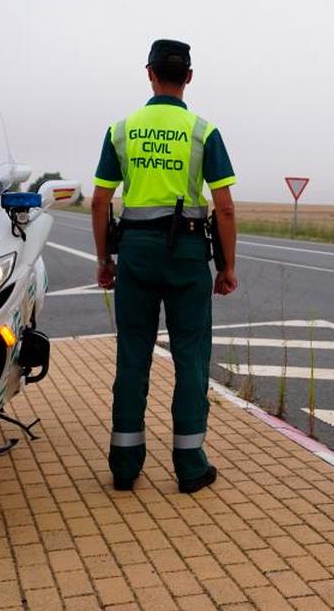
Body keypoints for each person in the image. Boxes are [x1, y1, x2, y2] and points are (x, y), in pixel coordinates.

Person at [91, 38, 238, 494]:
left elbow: (99, 200)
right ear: (188, 77)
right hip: (189, 255)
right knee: (191, 356)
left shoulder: (122, 130)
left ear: (150, 73)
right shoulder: (203, 132)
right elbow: (226, 207)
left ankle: (124, 465)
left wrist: (105, 259)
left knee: (133, 354)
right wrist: (227, 267)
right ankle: (191, 466)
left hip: (135, 253)